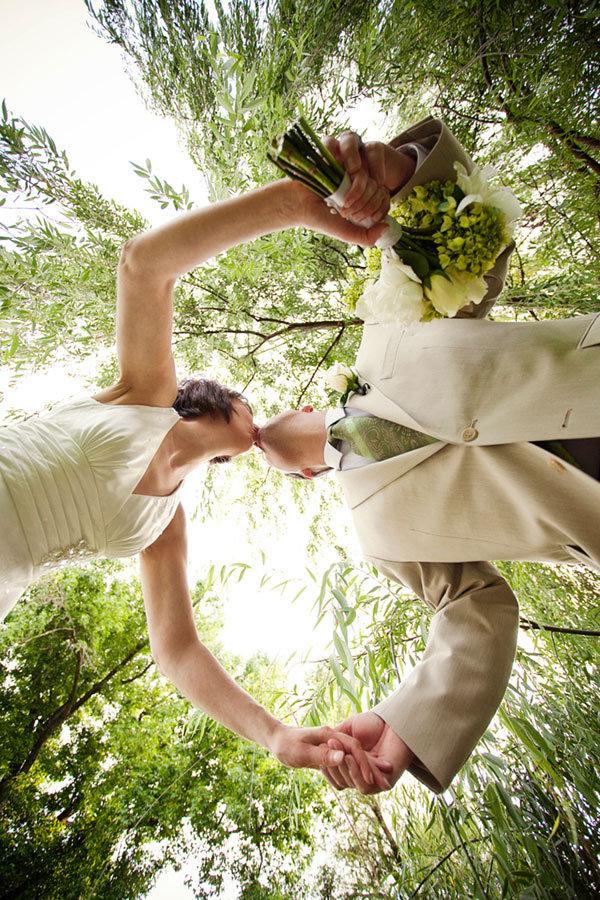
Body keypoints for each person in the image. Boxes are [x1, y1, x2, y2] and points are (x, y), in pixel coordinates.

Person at [0, 171, 397, 784]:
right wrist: (292, 205)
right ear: (222, 400)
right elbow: (143, 265)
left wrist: (274, 733)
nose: (260, 430)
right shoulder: (144, 396)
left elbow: (177, 650)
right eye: (255, 411)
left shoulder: (164, 523)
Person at [255, 117, 600, 795]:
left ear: (303, 406)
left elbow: (470, 249)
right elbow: (475, 608)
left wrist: (399, 169)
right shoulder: (380, 536)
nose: (269, 441)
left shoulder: (384, 336)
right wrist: (408, 724)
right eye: (271, 459)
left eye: (280, 421)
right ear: (303, 478)